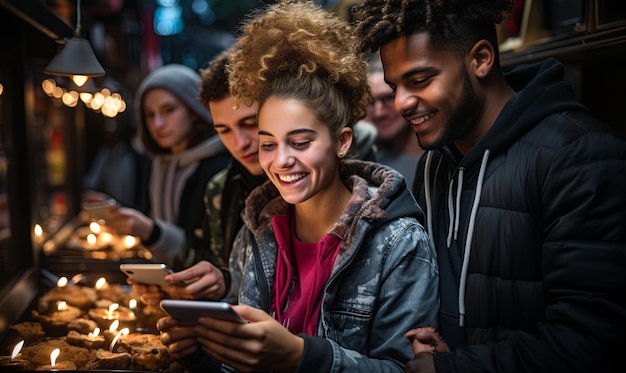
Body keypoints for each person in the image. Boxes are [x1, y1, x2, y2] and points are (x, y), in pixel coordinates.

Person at [157, 1, 439, 372]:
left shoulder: (400, 244)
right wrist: (201, 351)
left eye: (301, 142)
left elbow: (407, 369)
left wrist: (303, 357)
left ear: (342, 142)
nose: (281, 160)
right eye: (268, 144)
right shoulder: (255, 235)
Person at [352, 0, 626, 372]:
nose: (401, 102)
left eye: (420, 81)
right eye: (394, 86)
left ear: (481, 59)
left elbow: (591, 340)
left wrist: (450, 369)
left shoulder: (581, 156)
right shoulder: (434, 162)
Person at [104, 64, 231, 271]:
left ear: (194, 111)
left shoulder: (219, 168)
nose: (158, 124)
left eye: (168, 110)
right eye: (149, 115)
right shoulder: (156, 165)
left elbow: (213, 259)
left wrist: (152, 232)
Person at [366, 60, 423, 189]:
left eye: (388, 98)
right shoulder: (373, 168)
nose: (379, 113)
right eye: (370, 103)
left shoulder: (449, 153)